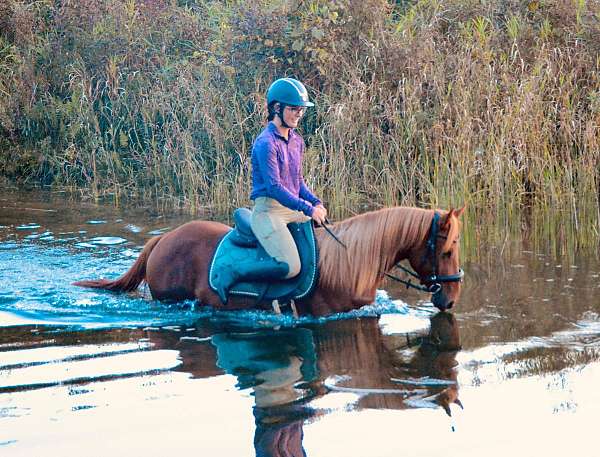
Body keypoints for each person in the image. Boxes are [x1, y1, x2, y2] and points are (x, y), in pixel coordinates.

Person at [215, 78, 327, 304]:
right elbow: (275, 187)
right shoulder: (265, 143)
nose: (299, 114)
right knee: (290, 266)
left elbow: (298, 182)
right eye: (294, 109)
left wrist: (316, 203)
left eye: (301, 110)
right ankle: (235, 271)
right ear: (277, 108)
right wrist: (306, 208)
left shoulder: (296, 140)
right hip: (269, 211)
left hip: (291, 208)